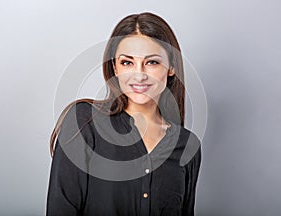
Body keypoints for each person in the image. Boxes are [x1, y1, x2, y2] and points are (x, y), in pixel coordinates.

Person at [46, 12, 201, 216]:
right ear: (115, 68)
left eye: (152, 62)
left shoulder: (187, 145)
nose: (139, 75)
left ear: (171, 67)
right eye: (127, 62)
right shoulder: (84, 122)